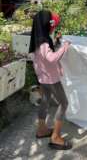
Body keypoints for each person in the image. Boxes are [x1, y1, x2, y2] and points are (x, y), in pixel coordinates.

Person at [29, 10, 72, 150]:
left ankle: (41, 129)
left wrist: (56, 41)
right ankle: (55, 137)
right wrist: (64, 47)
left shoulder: (37, 39)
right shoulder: (44, 43)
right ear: (45, 24)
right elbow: (51, 58)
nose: (52, 25)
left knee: (46, 100)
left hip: (42, 77)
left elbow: (43, 55)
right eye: (51, 23)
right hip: (51, 78)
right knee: (64, 103)